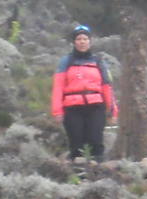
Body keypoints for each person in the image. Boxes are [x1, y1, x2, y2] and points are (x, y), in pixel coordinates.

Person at [50, 25, 117, 162]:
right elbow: (58, 87)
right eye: (79, 39)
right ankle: (78, 175)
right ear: (74, 42)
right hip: (72, 108)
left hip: (95, 106)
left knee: (95, 140)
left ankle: (98, 171)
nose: (82, 41)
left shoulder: (98, 61)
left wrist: (112, 110)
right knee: (76, 141)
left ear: (90, 41)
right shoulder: (66, 62)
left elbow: (107, 87)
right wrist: (57, 112)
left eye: (85, 39)